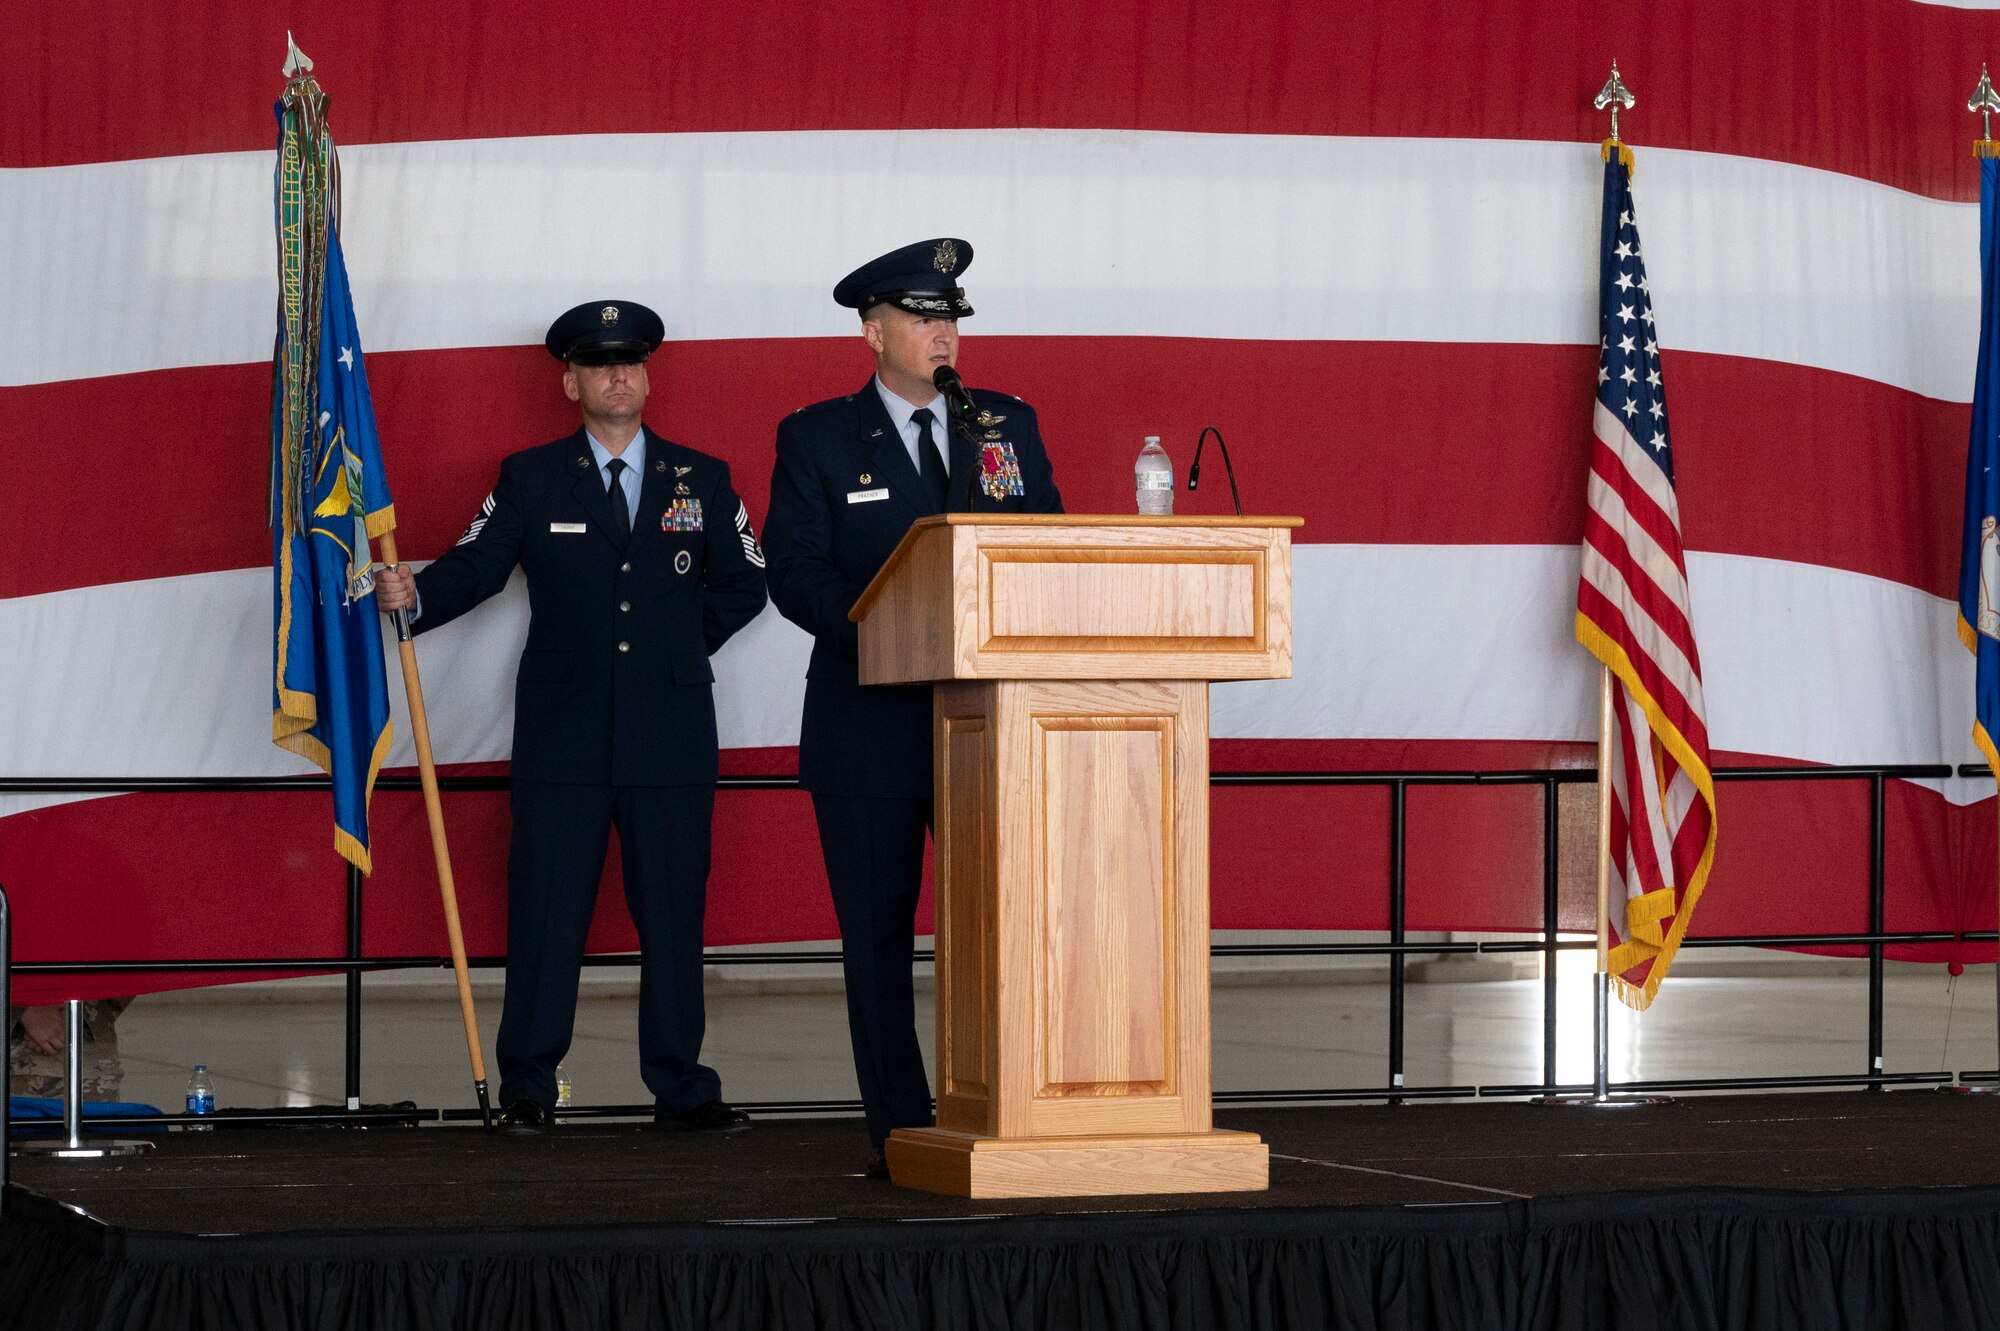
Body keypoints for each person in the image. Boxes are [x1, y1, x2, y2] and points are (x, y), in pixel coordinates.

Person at [375, 300, 767, 1137]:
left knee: (672, 916)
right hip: (563, 734)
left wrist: (670, 650)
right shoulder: (531, 476)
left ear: (647, 375)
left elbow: (746, 581)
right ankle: (529, 1084)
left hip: (668, 735)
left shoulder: (702, 478)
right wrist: (417, 594)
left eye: (630, 362)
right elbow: (480, 564)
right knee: (546, 913)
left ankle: (681, 1086)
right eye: (599, 364)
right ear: (570, 381)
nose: (618, 375)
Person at [762, 239, 1063, 1174]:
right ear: (873, 330)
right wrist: (888, 635)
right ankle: (901, 1129)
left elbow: (1044, 543)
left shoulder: (1003, 423)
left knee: (1000, 923)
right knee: (880, 936)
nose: (944, 333)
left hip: (990, 724)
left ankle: (1007, 1111)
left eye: (952, 318)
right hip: (869, 725)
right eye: (925, 318)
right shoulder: (816, 435)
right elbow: (795, 573)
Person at [9, 999, 131, 1100]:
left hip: (87, 1068)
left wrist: (74, 1011)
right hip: (10, 1068)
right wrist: (24, 1010)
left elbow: (130, 974)